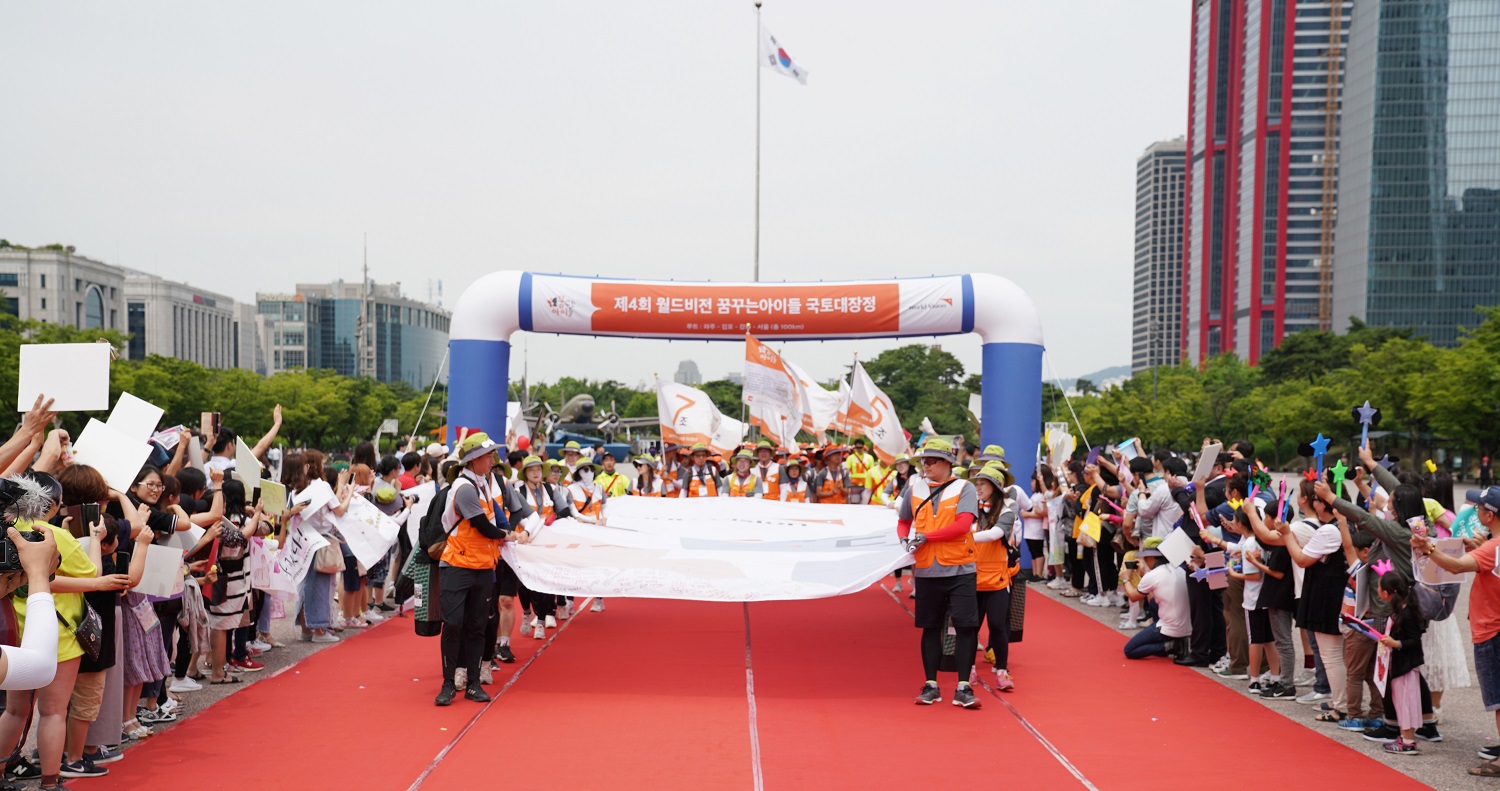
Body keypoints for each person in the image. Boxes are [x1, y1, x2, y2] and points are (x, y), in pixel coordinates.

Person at [1411, 486, 1500, 776]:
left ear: (1489, 515)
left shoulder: (1492, 548)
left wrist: (1429, 549)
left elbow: (1457, 565)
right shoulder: (1491, 547)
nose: (1476, 512)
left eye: (1479, 509)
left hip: (1491, 630)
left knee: (1498, 700)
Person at [897, 438, 981, 709]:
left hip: (960, 568)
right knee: (929, 627)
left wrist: (925, 537)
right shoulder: (915, 488)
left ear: (947, 463)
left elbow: (963, 525)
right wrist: (903, 541)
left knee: (966, 627)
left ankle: (963, 687)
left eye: (931, 460)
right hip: (927, 570)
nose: (925, 465)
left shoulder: (964, 488)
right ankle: (931, 684)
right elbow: (903, 521)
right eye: (923, 460)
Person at [435, 433, 516, 706]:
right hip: (458, 565)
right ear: (474, 460)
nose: (493, 460)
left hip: (482, 565)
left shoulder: (482, 484)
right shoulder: (467, 487)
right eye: (489, 455)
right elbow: (483, 526)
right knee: (455, 624)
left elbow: (490, 521)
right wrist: (509, 535)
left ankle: (471, 683)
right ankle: (448, 683)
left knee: (476, 626)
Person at [970, 463, 1019, 691]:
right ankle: (967, 670)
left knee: (998, 625)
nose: (978, 487)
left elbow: (996, 534)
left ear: (996, 487)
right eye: (976, 483)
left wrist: (965, 538)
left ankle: (1002, 670)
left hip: (997, 579)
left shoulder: (1008, 511)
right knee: (970, 627)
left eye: (982, 483)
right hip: (972, 577)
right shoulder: (971, 508)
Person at [1374, 571, 1426, 756]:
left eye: (1379, 587)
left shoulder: (1407, 613)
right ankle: (1406, 738)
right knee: (1401, 700)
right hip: (1398, 664)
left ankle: (1408, 741)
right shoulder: (1401, 610)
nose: (1377, 590)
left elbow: (1415, 639)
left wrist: (1396, 643)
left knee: (1406, 702)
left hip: (1405, 665)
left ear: (1386, 593)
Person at [1122, 539, 1191, 660]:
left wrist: (1125, 579)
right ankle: (1176, 643)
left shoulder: (1153, 575)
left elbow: (1133, 597)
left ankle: (1171, 646)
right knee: (1154, 602)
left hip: (1169, 628)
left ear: (1149, 558)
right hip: (1187, 627)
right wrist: (1144, 575)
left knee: (1130, 650)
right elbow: (1152, 599)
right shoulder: (1180, 569)